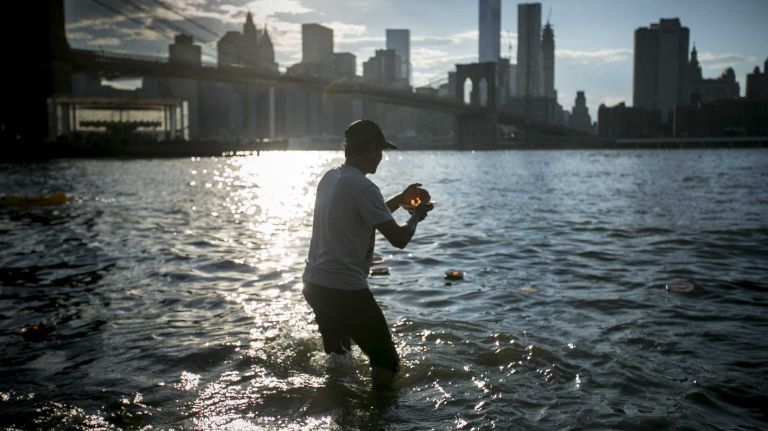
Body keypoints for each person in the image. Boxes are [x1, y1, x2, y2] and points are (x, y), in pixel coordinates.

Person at [302, 119, 433, 389]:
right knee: (386, 361)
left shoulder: (331, 177)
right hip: (345, 289)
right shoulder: (364, 187)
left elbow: (364, 215)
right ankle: (380, 416)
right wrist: (417, 216)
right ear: (373, 148)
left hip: (315, 285)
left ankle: (341, 409)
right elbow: (398, 239)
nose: (381, 157)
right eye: (381, 150)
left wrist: (399, 199)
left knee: (339, 357)